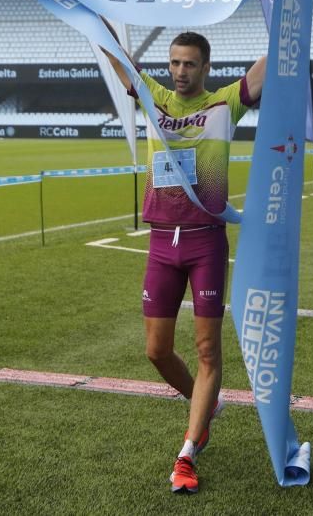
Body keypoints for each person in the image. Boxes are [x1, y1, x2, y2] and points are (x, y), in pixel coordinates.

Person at [102, 28, 264, 494]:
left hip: (205, 243)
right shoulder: (154, 99)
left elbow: (267, 68)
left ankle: (188, 453)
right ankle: (205, 403)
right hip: (160, 244)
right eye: (174, 63)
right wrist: (91, 12)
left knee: (209, 351)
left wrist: (288, 17)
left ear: (206, 67)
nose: (179, 71)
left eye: (189, 63)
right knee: (156, 351)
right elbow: (117, 55)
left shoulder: (224, 105)